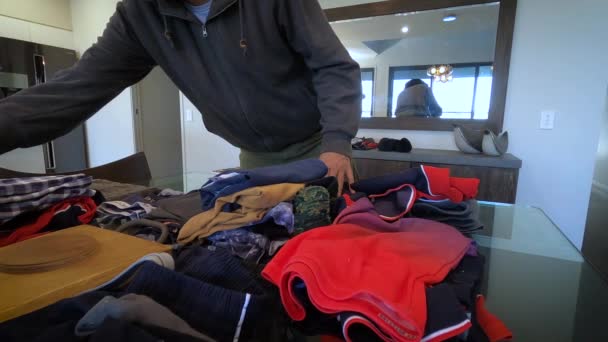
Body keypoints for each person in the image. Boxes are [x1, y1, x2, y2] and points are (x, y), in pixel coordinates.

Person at [0, 0, 361, 191]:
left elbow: (334, 67)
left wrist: (337, 143)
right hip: (254, 157)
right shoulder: (139, 15)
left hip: (317, 150)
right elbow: (74, 90)